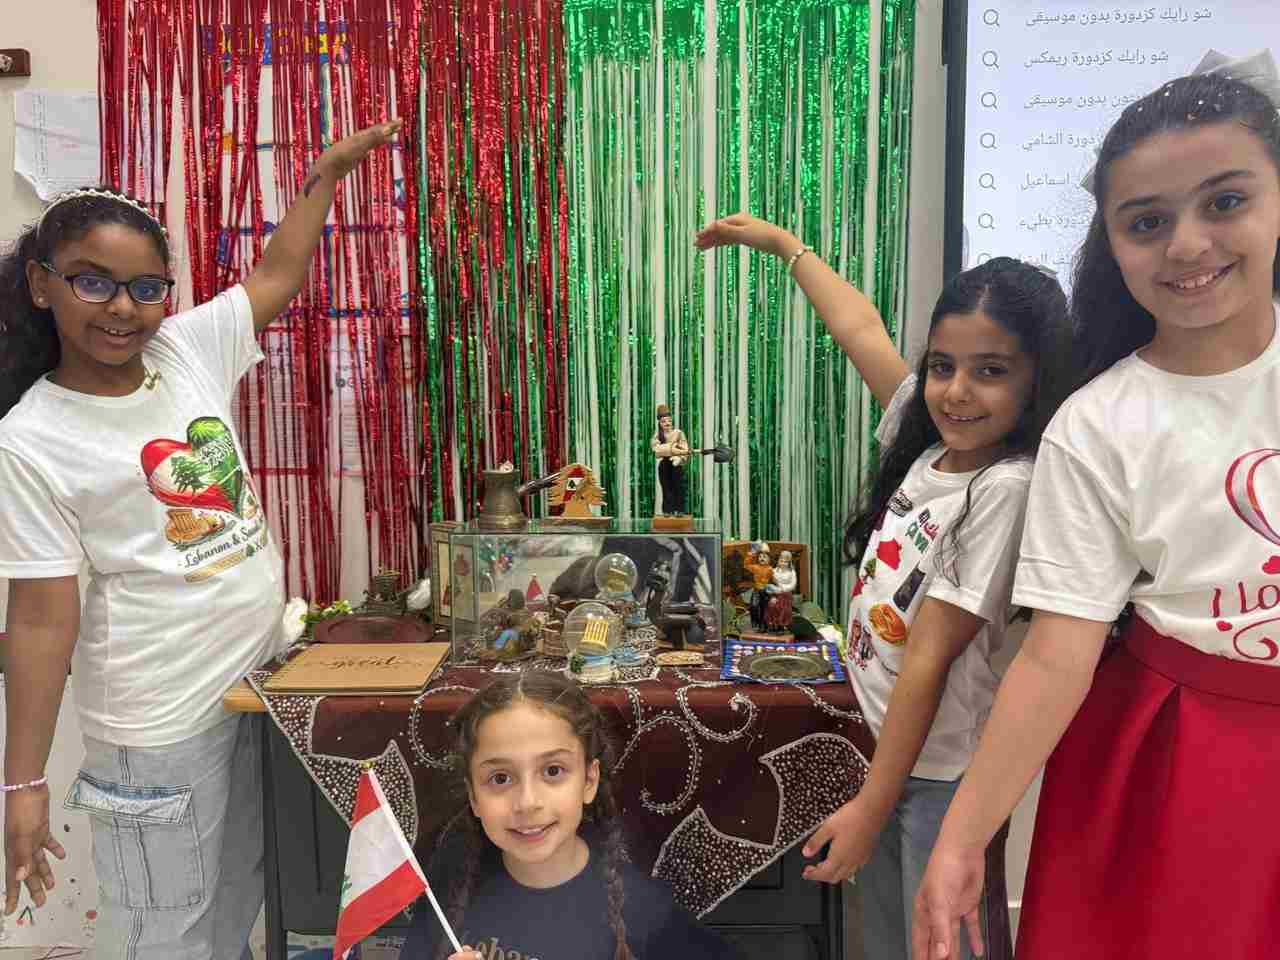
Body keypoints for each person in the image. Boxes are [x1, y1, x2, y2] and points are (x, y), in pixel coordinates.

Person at [0, 121, 400, 959]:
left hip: (248, 696)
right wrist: (23, 782)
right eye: (93, 283)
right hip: (158, 731)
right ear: (42, 284)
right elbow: (39, 621)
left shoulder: (183, 353)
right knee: (165, 937)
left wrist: (325, 175)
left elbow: (277, 272)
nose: (123, 309)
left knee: (231, 914)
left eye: (146, 288)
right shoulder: (31, 439)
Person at [911, 68, 1280, 960]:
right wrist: (960, 841)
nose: (1186, 244)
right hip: (1186, 755)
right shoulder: (1099, 423)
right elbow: (1055, 656)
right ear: (1111, 242)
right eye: (1146, 222)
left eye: (1225, 202)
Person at [696, 216, 1076, 959]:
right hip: (885, 756)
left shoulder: (1005, 487)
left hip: (939, 778)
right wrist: (785, 247)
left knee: (940, 942)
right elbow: (860, 330)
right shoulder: (928, 446)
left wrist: (872, 805)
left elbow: (928, 658)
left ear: (1037, 379)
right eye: (942, 366)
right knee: (889, 941)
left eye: (991, 371)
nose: (957, 392)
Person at [400, 671, 739, 960]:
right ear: (474, 795)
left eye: (553, 771)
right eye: (500, 778)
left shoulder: (643, 911)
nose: (527, 802)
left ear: (589, 781)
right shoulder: (450, 879)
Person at [649, 403, 689, 515]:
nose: (667, 423)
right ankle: (667, 510)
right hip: (665, 464)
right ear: (659, 423)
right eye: (663, 421)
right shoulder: (657, 436)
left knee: (679, 487)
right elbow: (656, 450)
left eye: (669, 421)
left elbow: (685, 448)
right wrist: (670, 449)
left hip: (676, 464)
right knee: (666, 488)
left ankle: (680, 510)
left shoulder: (678, 433)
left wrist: (680, 458)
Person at [763, 549, 798, 633]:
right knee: (772, 605)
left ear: (789, 563)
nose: (783, 563)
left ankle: (781, 626)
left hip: (785, 594)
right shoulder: (773, 571)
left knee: (781, 606)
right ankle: (772, 624)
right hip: (774, 593)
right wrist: (772, 591)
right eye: (781, 561)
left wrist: (782, 588)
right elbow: (769, 582)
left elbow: (793, 585)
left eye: (786, 562)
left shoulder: (791, 572)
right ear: (778, 561)